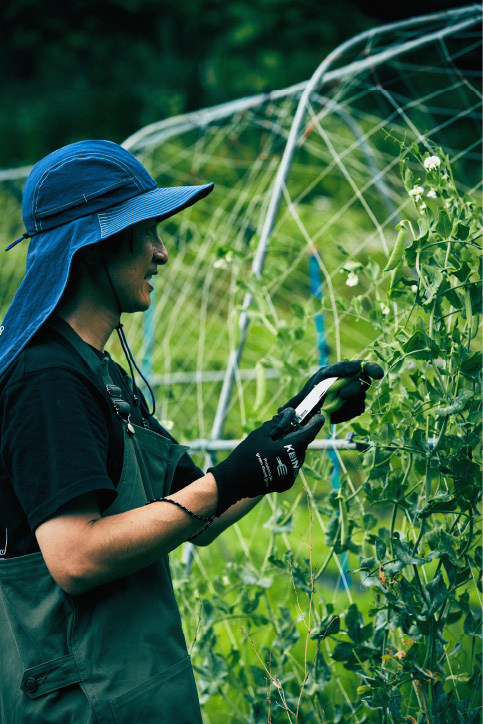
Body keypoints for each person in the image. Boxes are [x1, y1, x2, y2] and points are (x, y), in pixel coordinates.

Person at [0, 140, 383, 723]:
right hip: (84, 705)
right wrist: (226, 479)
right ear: (94, 243)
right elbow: (75, 556)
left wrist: (304, 421)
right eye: (148, 230)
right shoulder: (47, 378)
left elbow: (201, 511)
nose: (161, 253)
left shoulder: (99, 373)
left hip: (135, 694)